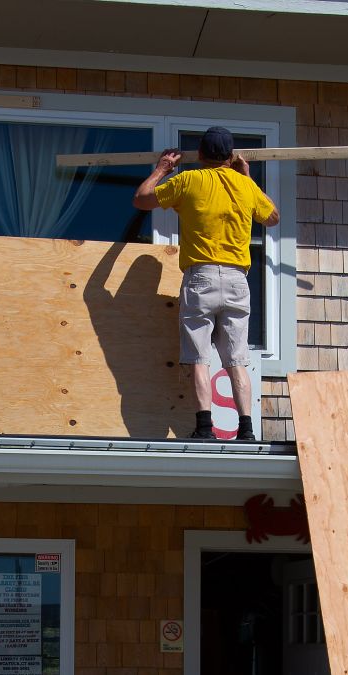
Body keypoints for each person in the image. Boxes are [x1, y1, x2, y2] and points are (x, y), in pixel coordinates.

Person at [132, 127, 280, 442]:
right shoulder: (244, 186)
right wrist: (248, 178)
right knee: (237, 358)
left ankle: (204, 428)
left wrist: (162, 169)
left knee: (199, 356)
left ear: (200, 155)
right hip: (237, 280)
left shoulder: (189, 181)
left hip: (201, 278)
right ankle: (246, 430)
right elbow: (273, 217)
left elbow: (142, 200)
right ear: (230, 157)